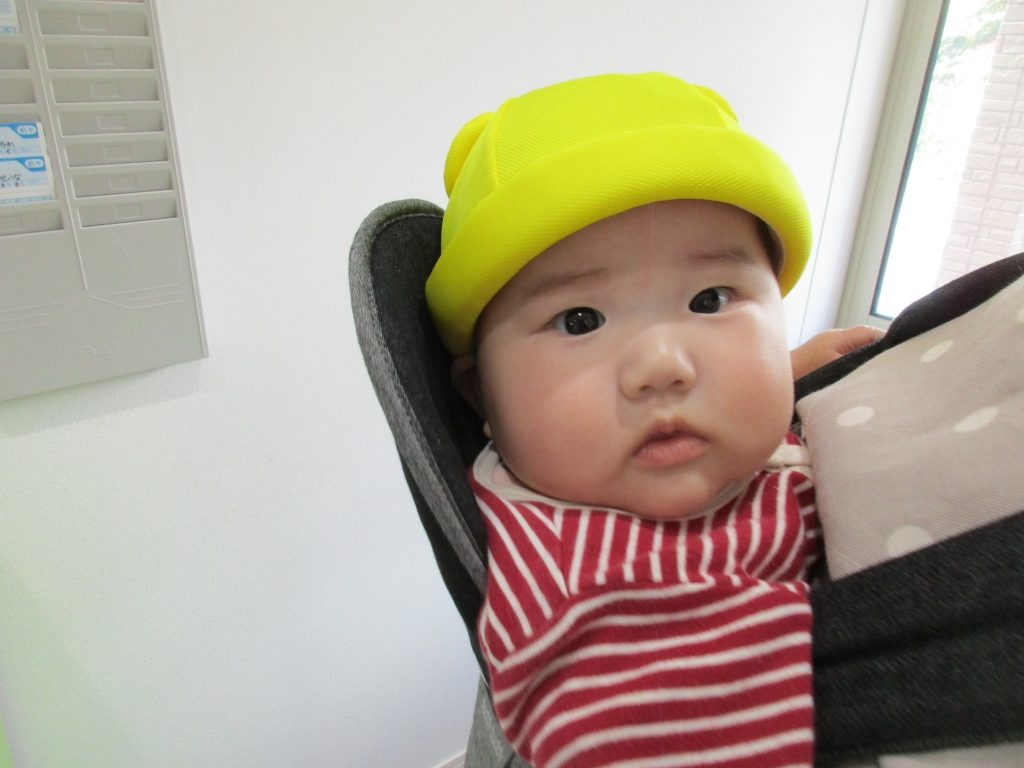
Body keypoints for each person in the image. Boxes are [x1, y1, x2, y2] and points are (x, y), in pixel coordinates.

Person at [425, 73, 879, 768]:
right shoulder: (599, 600)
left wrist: (784, 375)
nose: (663, 365)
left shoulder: (634, 444)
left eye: (710, 300)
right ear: (481, 397)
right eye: (580, 320)